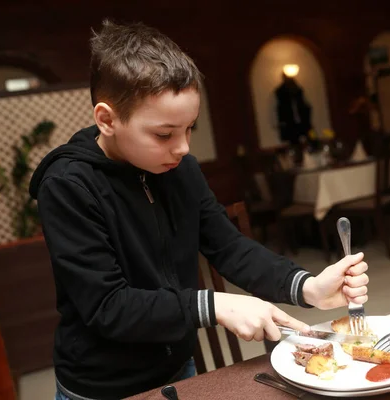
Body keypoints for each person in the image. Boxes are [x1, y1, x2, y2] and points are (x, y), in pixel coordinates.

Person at [29, 19, 369, 400]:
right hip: (103, 387)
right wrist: (212, 304)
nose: (183, 147)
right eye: (164, 134)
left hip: (177, 367)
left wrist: (308, 287)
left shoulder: (178, 167)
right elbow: (108, 306)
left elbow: (229, 246)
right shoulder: (67, 186)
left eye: (189, 128)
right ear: (107, 119)